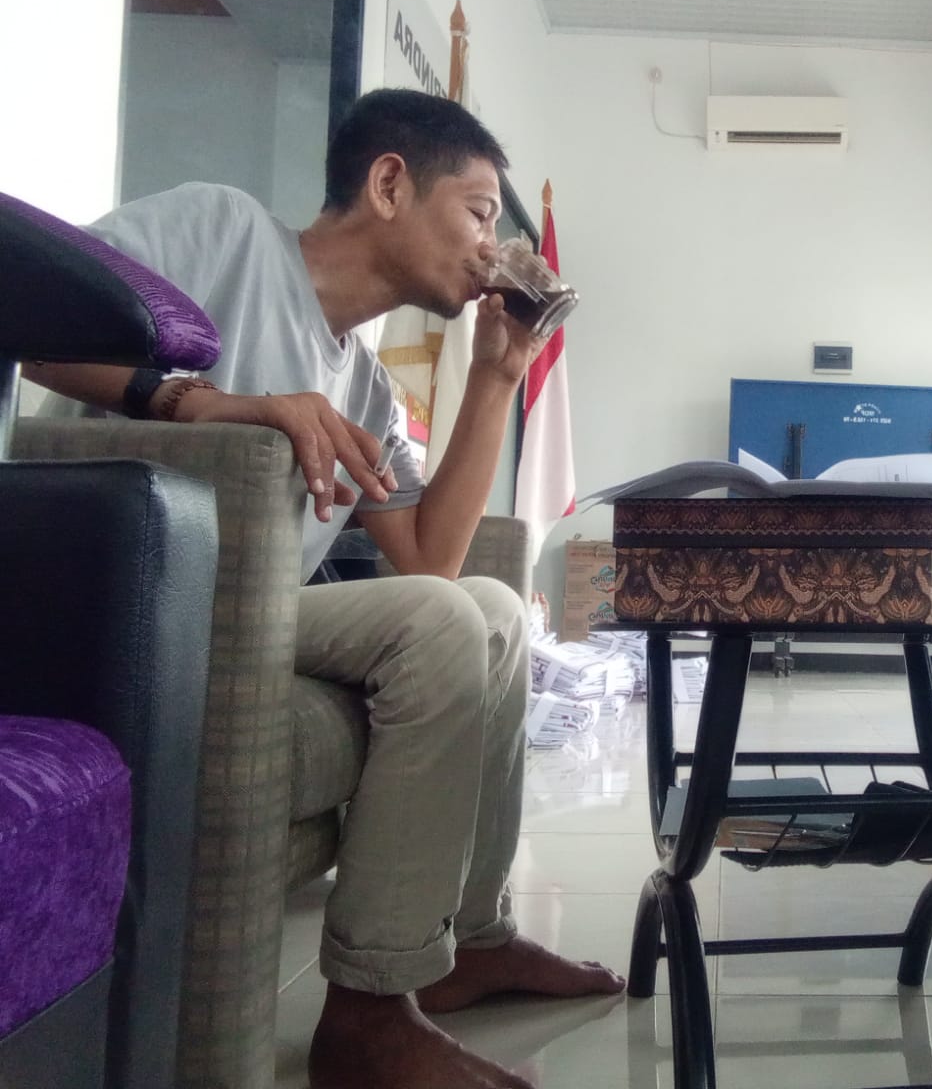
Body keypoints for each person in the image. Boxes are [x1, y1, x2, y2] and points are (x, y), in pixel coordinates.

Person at [29, 88, 624, 1089]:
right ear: (389, 183)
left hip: (246, 614)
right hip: (126, 591)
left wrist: (496, 375)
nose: (492, 245)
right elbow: (35, 314)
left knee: (485, 608)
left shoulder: (367, 389)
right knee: (447, 616)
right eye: (480, 212)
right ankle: (368, 1018)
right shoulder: (224, 232)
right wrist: (202, 401)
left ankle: (467, 941)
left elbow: (431, 562)